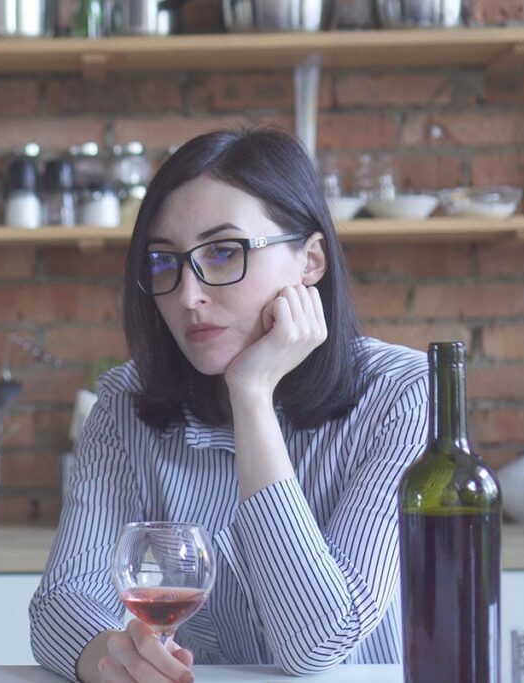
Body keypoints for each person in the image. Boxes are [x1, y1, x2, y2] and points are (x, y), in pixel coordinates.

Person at [29, 128, 430, 683]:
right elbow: (60, 603)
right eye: (165, 261)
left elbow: (318, 645)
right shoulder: (127, 402)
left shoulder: (402, 393)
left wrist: (252, 395)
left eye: (223, 252)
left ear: (310, 262)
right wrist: (109, 656)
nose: (188, 295)